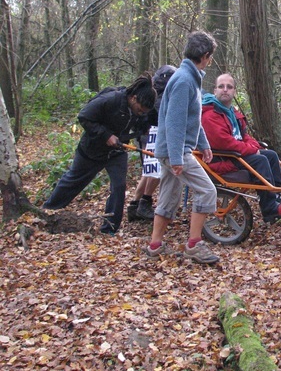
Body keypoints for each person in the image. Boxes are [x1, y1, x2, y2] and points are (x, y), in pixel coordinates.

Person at [43, 74, 156, 234]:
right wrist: (106, 135)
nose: (140, 113)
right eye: (139, 110)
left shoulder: (138, 111)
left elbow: (139, 121)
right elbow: (84, 117)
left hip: (116, 152)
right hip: (92, 150)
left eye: (143, 112)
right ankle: (46, 212)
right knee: (73, 181)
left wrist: (142, 127)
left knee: (119, 186)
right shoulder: (111, 100)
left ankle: (109, 229)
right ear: (133, 98)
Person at [144, 30, 220, 265]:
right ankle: (194, 244)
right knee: (207, 190)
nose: (209, 61)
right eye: (210, 57)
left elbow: (191, 119)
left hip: (175, 149)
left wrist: (204, 143)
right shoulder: (184, 80)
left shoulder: (190, 78)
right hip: (174, 150)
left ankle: (155, 245)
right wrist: (177, 157)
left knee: (169, 195)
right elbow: (175, 122)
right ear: (205, 56)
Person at [201, 73, 281, 224]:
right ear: (215, 91)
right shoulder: (210, 116)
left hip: (235, 155)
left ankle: (275, 196)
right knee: (260, 160)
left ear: (234, 92)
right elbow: (224, 143)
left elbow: (243, 136)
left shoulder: (232, 113)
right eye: (221, 86)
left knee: (271, 155)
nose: (225, 90)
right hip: (221, 158)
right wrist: (251, 149)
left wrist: (254, 146)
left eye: (229, 87)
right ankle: (269, 207)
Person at [127, 65, 177, 221]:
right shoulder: (160, 96)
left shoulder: (154, 91)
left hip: (146, 134)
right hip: (152, 136)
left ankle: (134, 205)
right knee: (156, 170)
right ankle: (144, 202)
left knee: (148, 171)